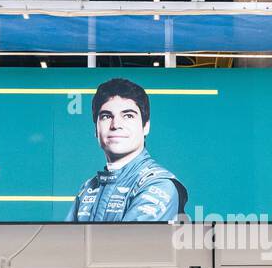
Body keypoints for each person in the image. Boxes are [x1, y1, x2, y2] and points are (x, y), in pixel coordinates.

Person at [66, 77, 188, 222]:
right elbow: (59, 243)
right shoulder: (88, 189)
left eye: (128, 116)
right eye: (106, 116)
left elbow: (127, 244)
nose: (116, 124)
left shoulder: (159, 185)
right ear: (96, 129)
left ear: (146, 126)